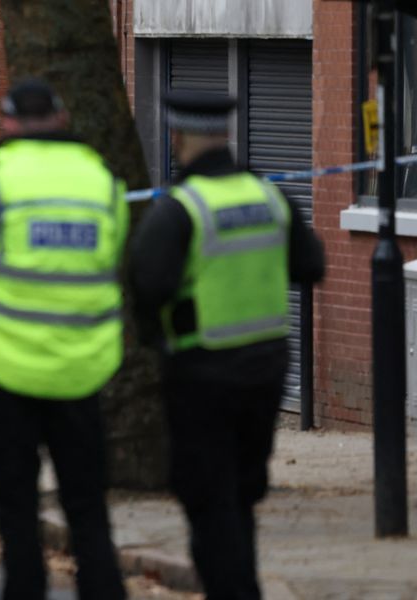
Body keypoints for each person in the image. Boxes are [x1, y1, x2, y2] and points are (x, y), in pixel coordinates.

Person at [0, 79, 128, 600]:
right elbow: (118, 254)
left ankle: (26, 588)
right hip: (81, 367)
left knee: (15, 499)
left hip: (7, 367)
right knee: (86, 499)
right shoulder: (102, 179)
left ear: (8, 122)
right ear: (62, 118)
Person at [128, 90, 324, 600]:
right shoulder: (268, 197)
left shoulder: (181, 209)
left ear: (176, 137)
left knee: (208, 500)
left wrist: (156, 340)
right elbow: (310, 265)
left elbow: (145, 287)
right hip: (267, 366)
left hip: (202, 373)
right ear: (226, 135)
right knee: (241, 493)